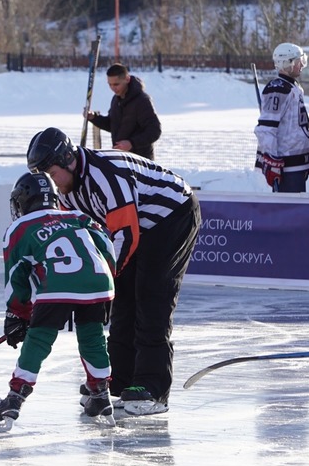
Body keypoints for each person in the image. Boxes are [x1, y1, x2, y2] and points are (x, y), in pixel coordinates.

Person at [26, 127, 200, 416]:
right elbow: (83, 239)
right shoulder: (66, 191)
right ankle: (118, 380)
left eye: (53, 174)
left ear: (68, 160)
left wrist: (102, 280)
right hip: (134, 229)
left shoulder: (106, 174)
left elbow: (127, 234)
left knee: (150, 296)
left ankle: (153, 389)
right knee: (121, 303)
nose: (53, 184)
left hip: (172, 217)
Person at [0, 172, 116, 429]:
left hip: (58, 286)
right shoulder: (78, 217)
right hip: (99, 282)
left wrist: (17, 314)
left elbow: (15, 276)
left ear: (22, 201)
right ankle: (100, 394)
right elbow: (106, 247)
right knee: (92, 336)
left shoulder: (19, 228)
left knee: (39, 339)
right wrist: (106, 283)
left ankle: (15, 397)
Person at [254, 42, 309, 192]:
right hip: (286, 163)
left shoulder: (294, 87)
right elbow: (266, 129)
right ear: (288, 63)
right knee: (290, 212)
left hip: (297, 161)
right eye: (299, 61)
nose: (302, 65)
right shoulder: (278, 88)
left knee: (298, 210)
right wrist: (272, 159)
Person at [84, 63, 162, 159]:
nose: (113, 88)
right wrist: (94, 118)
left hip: (141, 161)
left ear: (127, 79)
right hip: (121, 158)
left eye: (116, 84)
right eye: (110, 84)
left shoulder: (142, 101)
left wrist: (131, 143)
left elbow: (155, 130)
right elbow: (112, 124)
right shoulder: (116, 100)